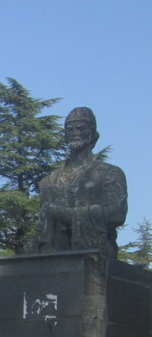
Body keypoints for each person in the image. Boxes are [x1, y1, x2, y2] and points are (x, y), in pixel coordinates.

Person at [33, 107, 127, 258]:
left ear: (94, 135)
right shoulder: (48, 181)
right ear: (64, 136)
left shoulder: (109, 173)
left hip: (94, 253)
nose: (74, 133)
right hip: (53, 258)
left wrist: (66, 214)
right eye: (70, 129)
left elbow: (117, 213)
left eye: (81, 128)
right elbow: (43, 226)